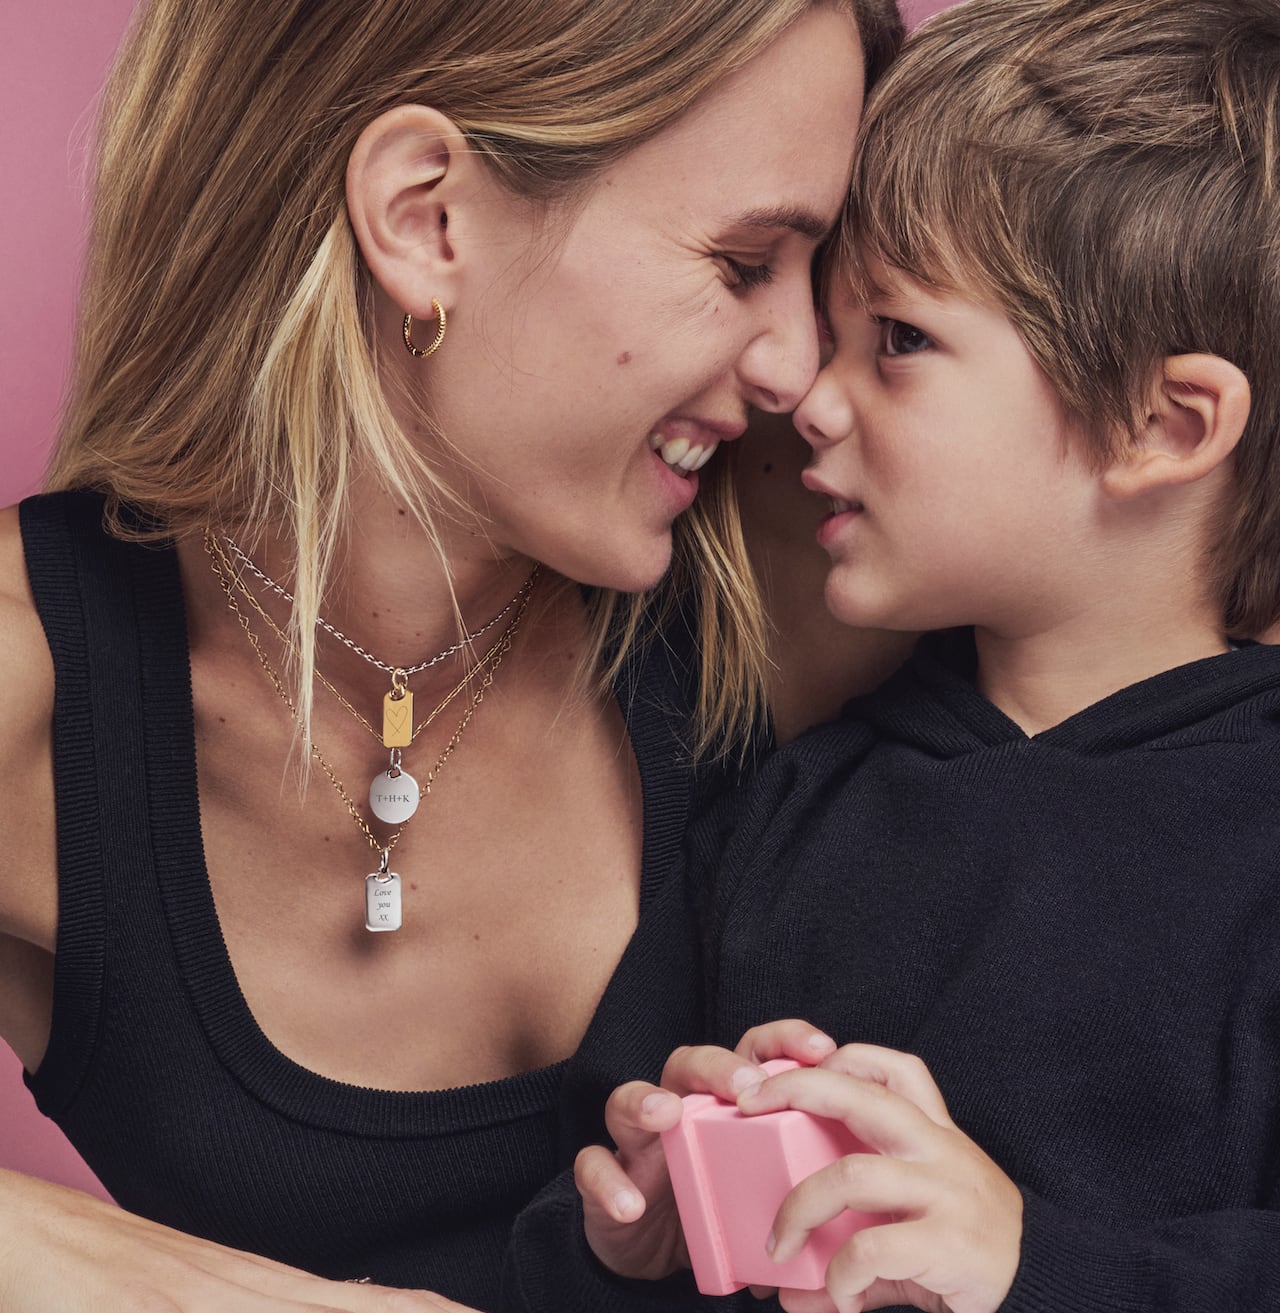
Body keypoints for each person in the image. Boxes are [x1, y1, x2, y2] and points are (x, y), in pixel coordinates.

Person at [0, 0, 911, 1309]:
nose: (799, 366)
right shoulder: (37, 675)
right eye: (742, 262)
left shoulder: (818, 543)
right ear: (427, 220)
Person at [540, 1, 1280, 1310]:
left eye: (899, 341)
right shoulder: (785, 805)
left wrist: (1034, 1263)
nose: (809, 399)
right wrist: (631, 1230)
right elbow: (602, 1191)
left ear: (1163, 424)